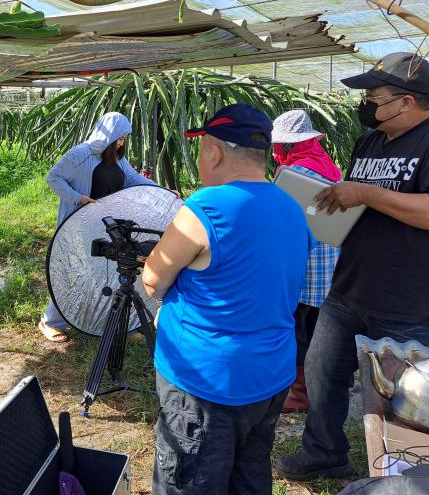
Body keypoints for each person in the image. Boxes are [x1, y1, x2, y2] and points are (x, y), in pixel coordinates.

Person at [141, 103, 313, 494]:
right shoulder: (292, 207)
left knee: (189, 481)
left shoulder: (206, 207)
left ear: (214, 153)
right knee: (249, 475)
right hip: (270, 375)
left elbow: (152, 280)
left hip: (206, 382)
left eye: (202, 148)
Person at [276, 52, 429, 481]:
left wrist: (364, 193)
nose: (364, 105)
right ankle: (324, 452)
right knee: (322, 371)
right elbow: (357, 202)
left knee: (408, 395)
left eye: (372, 97)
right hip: (350, 285)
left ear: (406, 101)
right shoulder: (369, 141)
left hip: (410, 299)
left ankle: (410, 478)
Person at [38, 111, 155, 343]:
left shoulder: (117, 159)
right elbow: (53, 178)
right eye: (118, 138)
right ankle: (49, 321)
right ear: (108, 135)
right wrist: (78, 198)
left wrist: (162, 190)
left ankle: (124, 322)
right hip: (78, 225)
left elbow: (134, 180)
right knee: (76, 272)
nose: (121, 144)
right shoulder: (80, 154)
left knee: (113, 271)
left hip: (106, 224)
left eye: (124, 139)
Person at [271, 110, 342, 413]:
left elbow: (275, 218)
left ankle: (299, 392)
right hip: (329, 261)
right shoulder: (330, 168)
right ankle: (316, 386)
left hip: (304, 263)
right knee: (315, 327)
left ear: (287, 145)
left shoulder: (294, 175)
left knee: (297, 328)